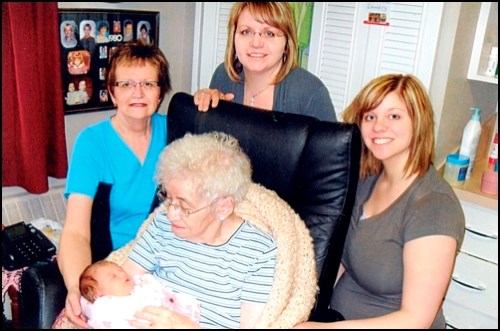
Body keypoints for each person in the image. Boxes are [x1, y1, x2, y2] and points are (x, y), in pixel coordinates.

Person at [294, 74, 465, 329]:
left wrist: (323, 329)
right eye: (370, 116)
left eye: (394, 116)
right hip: (337, 318)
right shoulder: (367, 179)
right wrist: (300, 305)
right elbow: (339, 261)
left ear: (418, 122)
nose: (379, 126)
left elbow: (416, 319)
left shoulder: (433, 207)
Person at [58, 41, 172, 329]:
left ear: (160, 92)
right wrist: (75, 288)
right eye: (126, 84)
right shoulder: (92, 143)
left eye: (148, 83)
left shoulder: (176, 132)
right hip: (117, 270)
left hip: (169, 267)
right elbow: (75, 232)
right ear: (112, 92)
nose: (138, 92)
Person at [121, 132, 277, 329]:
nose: (171, 215)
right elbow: (116, 285)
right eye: (169, 200)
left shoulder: (257, 252)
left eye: (184, 207)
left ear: (223, 208)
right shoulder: (161, 226)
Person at [193, 2, 336, 122]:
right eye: (246, 32)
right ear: (233, 37)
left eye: (269, 33)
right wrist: (206, 109)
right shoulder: (223, 76)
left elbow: (330, 154)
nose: (256, 43)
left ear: (287, 42)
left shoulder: (310, 93)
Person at [79, 260, 200, 329]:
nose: (122, 274)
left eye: (120, 270)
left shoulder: (140, 284)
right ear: (97, 295)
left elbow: (160, 294)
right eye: (113, 276)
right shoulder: (104, 308)